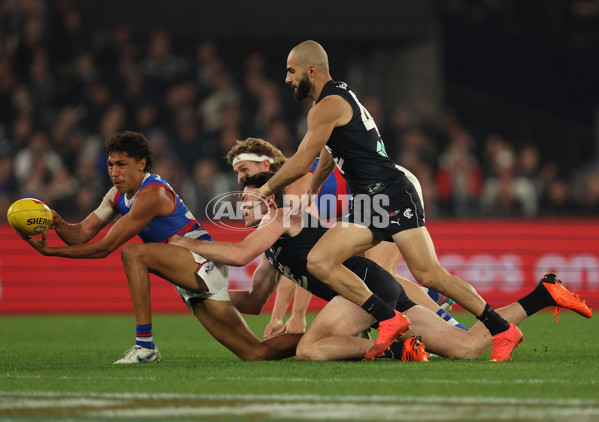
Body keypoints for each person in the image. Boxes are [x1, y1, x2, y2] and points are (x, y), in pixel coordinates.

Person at [257, 40, 520, 361]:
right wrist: (311, 192)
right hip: (393, 192)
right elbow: (328, 153)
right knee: (429, 275)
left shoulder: (325, 106)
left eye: (291, 71)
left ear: (311, 70)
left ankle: (388, 317)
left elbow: (299, 161)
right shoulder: (340, 96)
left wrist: (263, 191)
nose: (287, 79)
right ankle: (501, 328)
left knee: (320, 261)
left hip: (378, 199)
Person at [170, 172, 592, 361]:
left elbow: (238, 254)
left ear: (267, 199)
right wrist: (202, 292)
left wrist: (188, 244)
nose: (240, 204)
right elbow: (256, 300)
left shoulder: (281, 217)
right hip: (378, 286)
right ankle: (545, 294)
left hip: (360, 291)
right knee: (466, 348)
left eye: (247, 197)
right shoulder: (272, 246)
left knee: (309, 349)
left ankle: (395, 349)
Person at [17, 130, 301, 363]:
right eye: (111, 164)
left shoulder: (151, 194)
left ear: (141, 164)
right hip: (189, 277)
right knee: (257, 354)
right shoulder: (117, 195)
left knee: (133, 253)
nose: (114, 172)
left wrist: (50, 251)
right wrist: (57, 222)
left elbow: (104, 248)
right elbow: (80, 235)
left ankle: (145, 345)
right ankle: (328, 341)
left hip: (202, 264)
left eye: (122, 164)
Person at [227, 137, 467, 335]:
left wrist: (297, 315)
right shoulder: (281, 195)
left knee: (378, 270)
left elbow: (307, 255)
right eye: (237, 172)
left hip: (385, 191)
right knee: (364, 271)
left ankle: (448, 324)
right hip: (365, 202)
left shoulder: (294, 184)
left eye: (244, 170)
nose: (239, 179)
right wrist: (278, 317)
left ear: (266, 166)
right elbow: (288, 261)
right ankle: (428, 299)